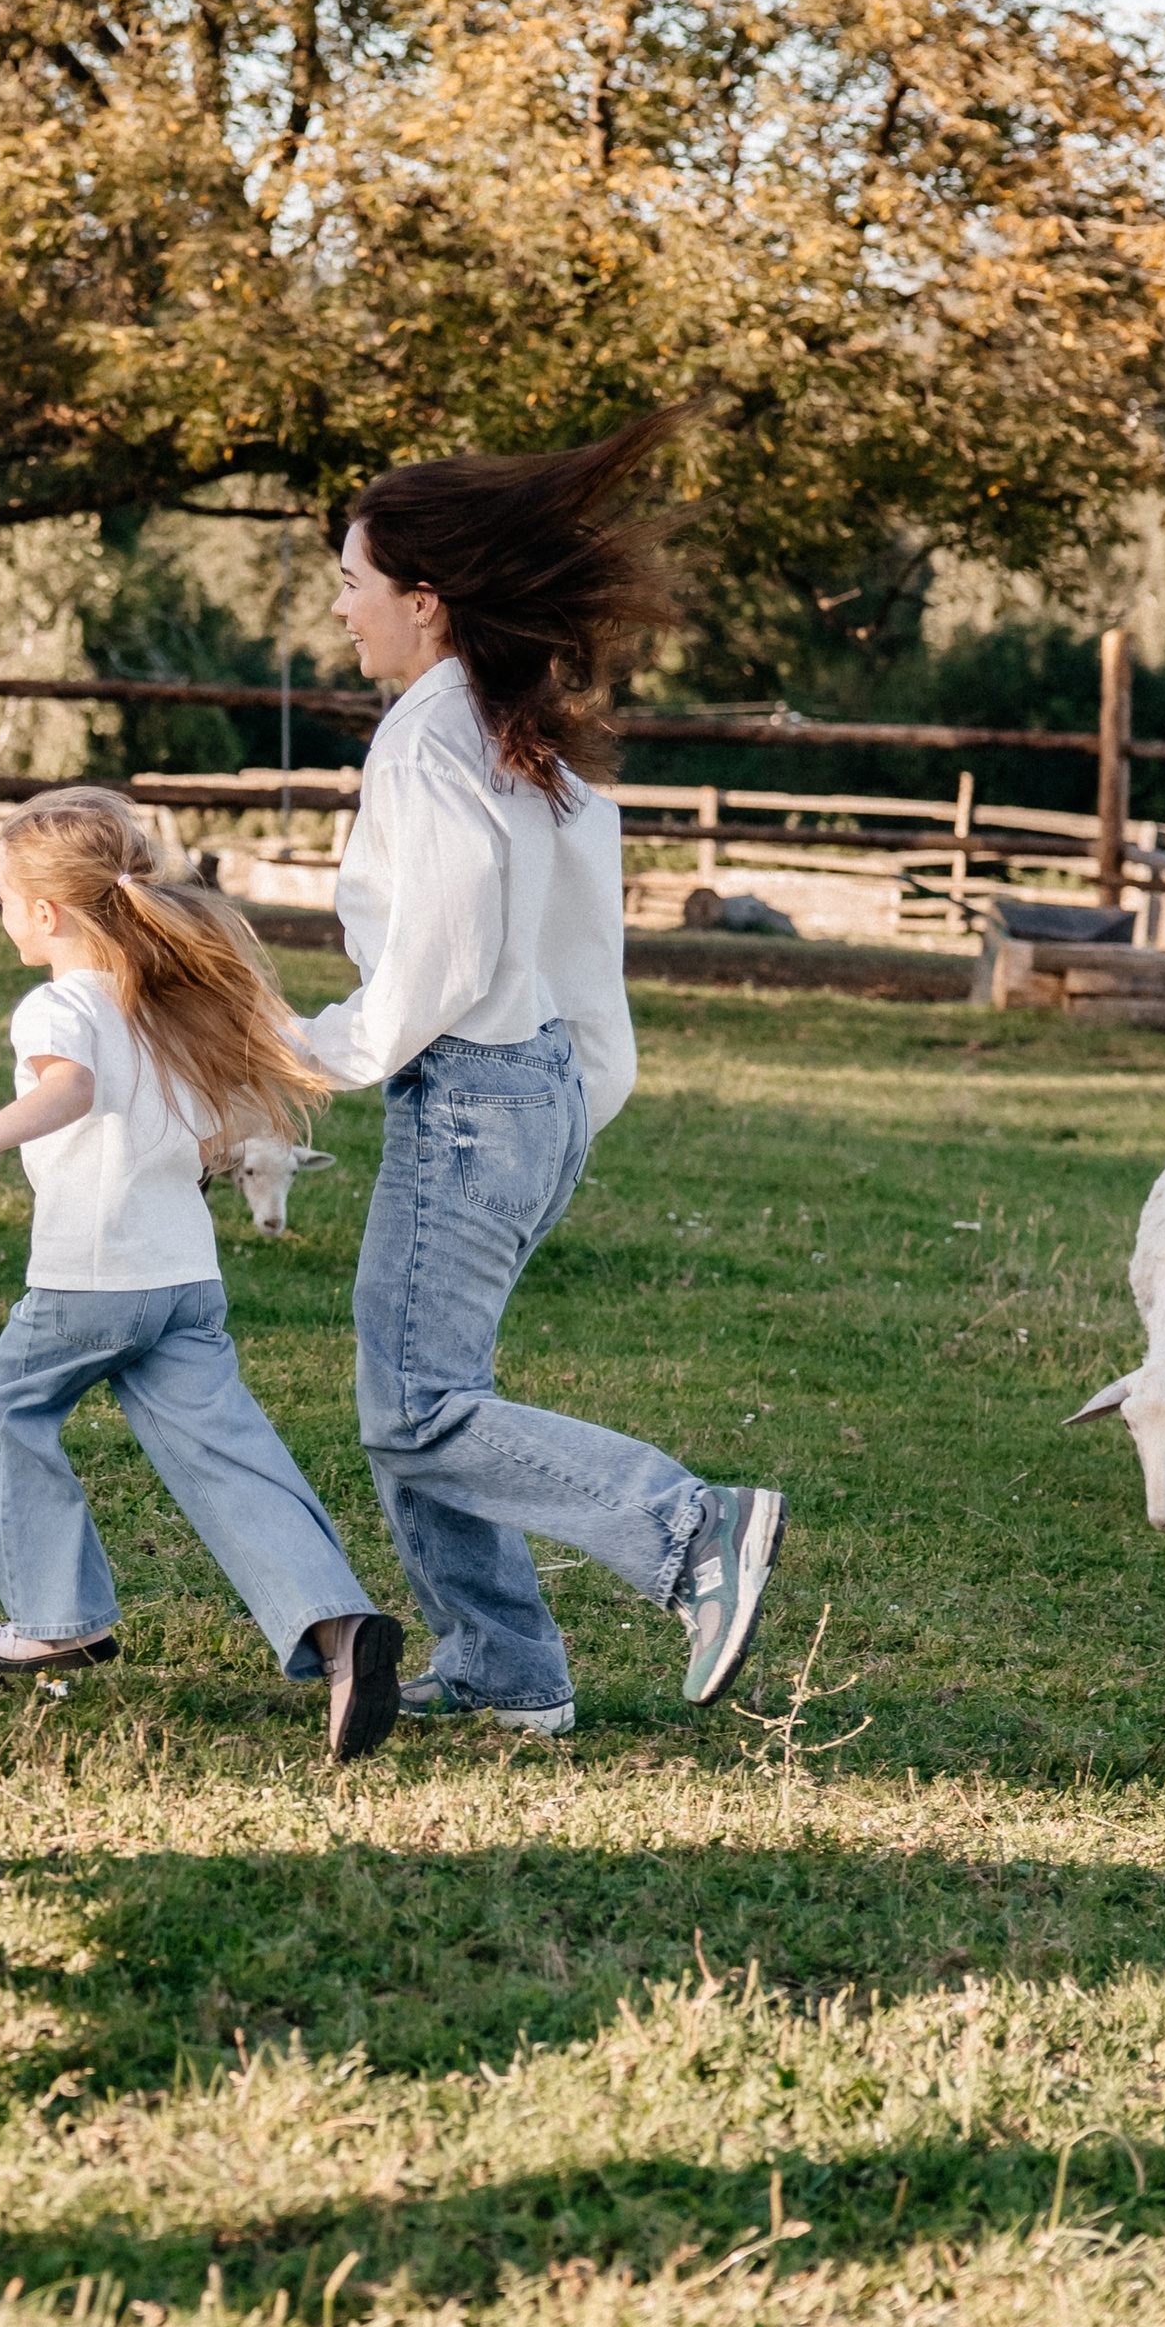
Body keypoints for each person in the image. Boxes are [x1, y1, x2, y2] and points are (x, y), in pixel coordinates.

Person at [296, 415, 785, 1739]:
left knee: (416, 1406)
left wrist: (325, 1048)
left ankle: (688, 1530)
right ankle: (505, 1662)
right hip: (532, 1088)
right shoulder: (513, 727)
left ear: (423, 599)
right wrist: (576, 1088)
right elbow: (573, 931)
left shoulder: (428, 736)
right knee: (413, 1389)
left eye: (351, 581)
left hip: (471, 1096)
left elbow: (447, 951)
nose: (339, 608)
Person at [0, 791, 404, 1763]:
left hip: (93, 1278)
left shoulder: (60, 1005)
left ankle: (54, 1620)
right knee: (227, 1456)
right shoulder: (162, 1004)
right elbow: (207, 1130)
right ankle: (340, 1628)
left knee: (10, 1409)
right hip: (184, 1279)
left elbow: (70, 1088)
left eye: (2, 900)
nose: (3, 916)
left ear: (46, 913)